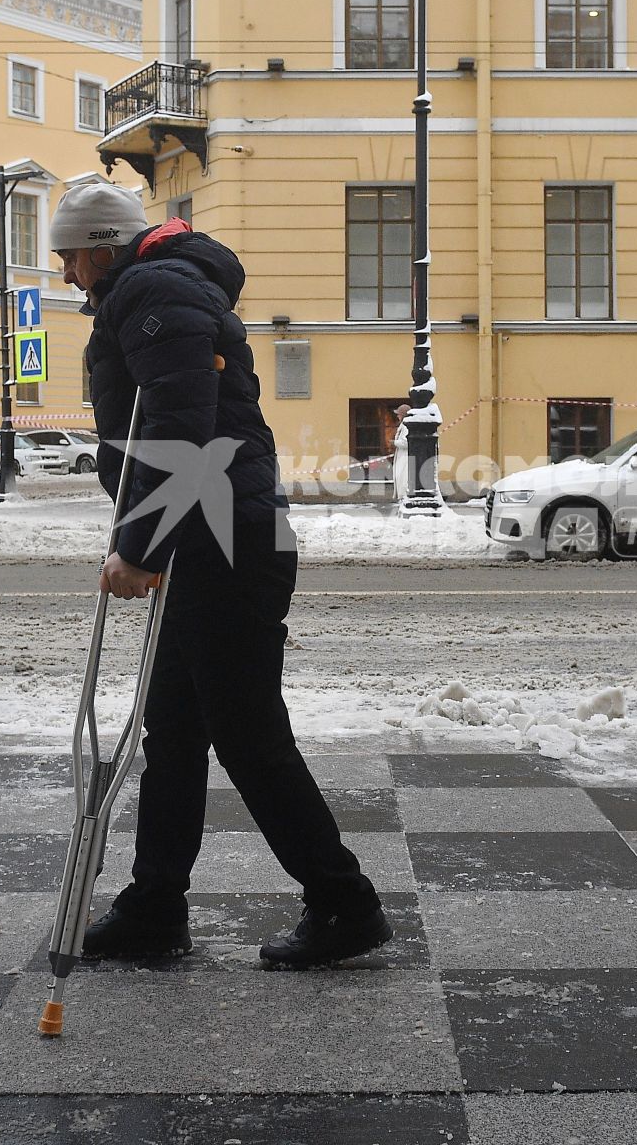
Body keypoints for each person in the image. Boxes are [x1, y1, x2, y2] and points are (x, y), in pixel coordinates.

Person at [50, 182, 389, 969]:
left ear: (102, 244)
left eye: (69, 254)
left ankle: (345, 903)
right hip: (219, 535)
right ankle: (154, 907)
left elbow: (180, 423)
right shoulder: (154, 288)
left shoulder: (149, 288)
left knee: (247, 735)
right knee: (173, 731)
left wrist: (141, 546)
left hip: (225, 539)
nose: (66, 272)